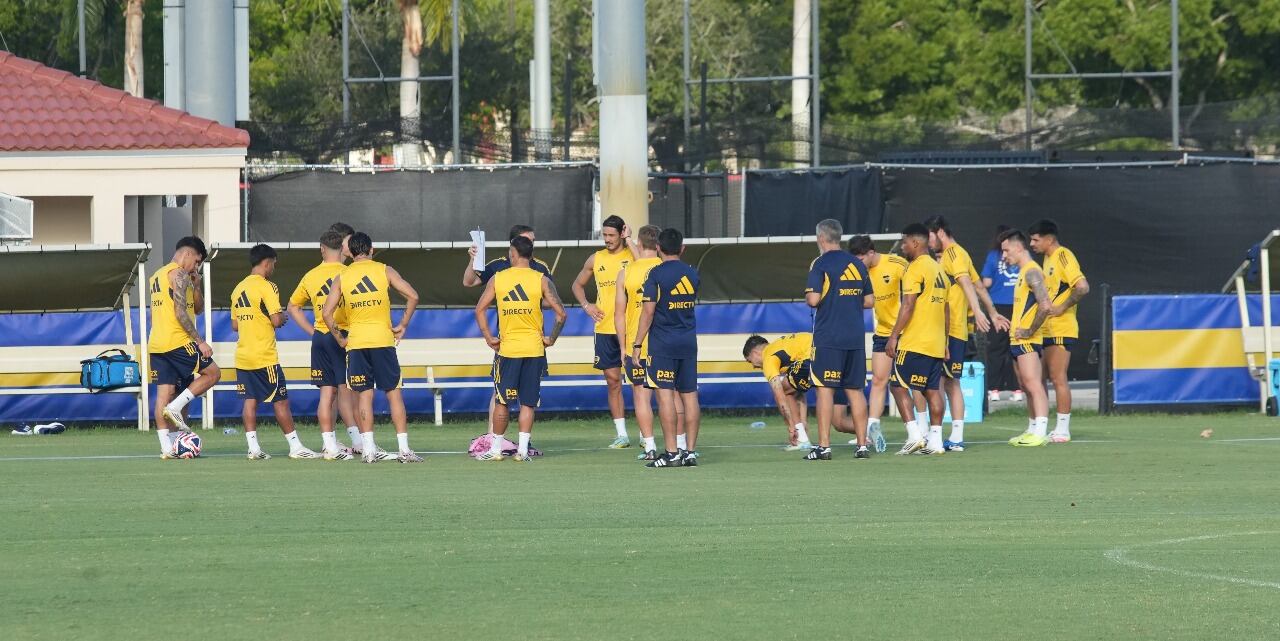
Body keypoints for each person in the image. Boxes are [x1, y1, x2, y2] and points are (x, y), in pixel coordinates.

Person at [321, 232, 424, 463]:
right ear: (371, 250)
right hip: (383, 341)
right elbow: (413, 296)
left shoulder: (343, 276)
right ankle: (404, 450)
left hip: (356, 344)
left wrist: (340, 339)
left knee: (364, 396)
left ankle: (368, 451)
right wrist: (403, 325)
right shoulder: (384, 270)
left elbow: (326, 313)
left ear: (351, 251)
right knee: (394, 394)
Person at [473, 235, 567, 462]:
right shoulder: (541, 279)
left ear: (513, 253)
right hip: (534, 350)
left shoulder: (499, 278)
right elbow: (561, 313)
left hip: (508, 350)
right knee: (528, 401)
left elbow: (480, 309)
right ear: (531, 254)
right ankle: (522, 451)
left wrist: (488, 337)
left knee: (502, 400)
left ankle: (496, 450)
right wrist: (551, 338)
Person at [461, 224, 554, 435]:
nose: (530, 245)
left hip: (532, 340)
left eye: (533, 240)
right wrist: (471, 258)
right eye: (526, 240)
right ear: (513, 244)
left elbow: (552, 301)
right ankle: (493, 439)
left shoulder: (540, 268)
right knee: (500, 392)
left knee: (528, 395)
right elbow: (469, 281)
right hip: (506, 341)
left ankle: (524, 442)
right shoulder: (498, 266)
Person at [925, 215, 1006, 452]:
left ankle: (937, 435)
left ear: (939, 232)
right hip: (953, 330)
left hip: (949, 331)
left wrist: (980, 312)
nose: (928, 243)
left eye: (929, 237)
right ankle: (955, 437)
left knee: (939, 383)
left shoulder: (953, 255)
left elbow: (967, 284)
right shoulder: (959, 253)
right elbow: (979, 284)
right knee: (950, 383)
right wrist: (992, 313)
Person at [232, 244, 318, 460]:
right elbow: (276, 319)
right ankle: (296, 447)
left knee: (250, 401)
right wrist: (282, 318)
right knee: (280, 401)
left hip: (243, 356)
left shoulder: (238, 288)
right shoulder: (267, 286)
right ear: (267, 262)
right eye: (274, 264)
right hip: (264, 355)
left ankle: (253, 449)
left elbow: (235, 325)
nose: (273, 269)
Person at [803, 219, 874, 461]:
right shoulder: (857, 264)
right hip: (854, 336)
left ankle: (823, 447)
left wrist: (826, 297)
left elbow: (813, 300)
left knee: (825, 390)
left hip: (829, 337)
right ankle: (862, 445)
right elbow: (869, 301)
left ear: (820, 238)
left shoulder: (819, 263)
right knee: (855, 391)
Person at [615, 225, 687, 461]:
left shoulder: (626, 272)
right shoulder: (667, 269)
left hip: (638, 341)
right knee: (673, 394)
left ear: (640, 242)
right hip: (665, 341)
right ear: (659, 245)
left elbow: (618, 313)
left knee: (640, 395)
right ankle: (680, 445)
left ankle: (649, 447)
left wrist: (624, 347)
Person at [286, 231, 360, 460]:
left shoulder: (310, 275)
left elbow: (292, 306)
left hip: (320, 337)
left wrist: (312, 331)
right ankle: (359, 441)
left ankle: (330, 446)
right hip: (342, 335)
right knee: (346, 392)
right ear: (343, 249)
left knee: (326, 394)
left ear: (321, 249)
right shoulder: (347, 272)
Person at [633, 228, 701, 468]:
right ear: (682, 248)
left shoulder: (655, 274)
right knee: (690, 396)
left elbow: (648, 311)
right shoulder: (692, 274)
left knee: (665, 397)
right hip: (688, 342)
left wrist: (637, 344)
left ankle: (671, 452)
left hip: (663, 344)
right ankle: (690, 452)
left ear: (659, 248)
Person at [147, 236, 221, 458]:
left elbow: (196, 309)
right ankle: (175, 409)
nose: (196, 266)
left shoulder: (157, 277)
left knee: (169, 393)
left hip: (158, 344)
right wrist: (200, 342)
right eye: (197, 261)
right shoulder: (178, 274)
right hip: (178, 341)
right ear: (187, 254)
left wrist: (196, 286)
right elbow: (180, 313)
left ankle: (167, 448)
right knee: (213, 373)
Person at [886, 224, 952, 456]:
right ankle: (935, 441)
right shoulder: (940, 270)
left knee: (896, 385)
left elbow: (908, 304)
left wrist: (893, 336)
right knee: (932, 390)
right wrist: (944, 342)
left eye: (904, 242)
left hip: (915, 341)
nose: (902, 246)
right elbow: (946, 310)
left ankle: (914, 436)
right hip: (935, 343)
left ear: (915, 243)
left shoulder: (915, 269)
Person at [571, 215, 635, 448]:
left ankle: (647, 436)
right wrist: (587, 306)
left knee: (643, 382)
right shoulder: (595, 258)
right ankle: (622, 434)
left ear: (621, 234)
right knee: (613, 380)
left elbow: (648, 268)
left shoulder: (632, 255)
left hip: (633, 328)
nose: (607, 239)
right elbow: (577, 285)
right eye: (604, 235)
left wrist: (632, 240)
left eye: (611, 235)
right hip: (605, 328)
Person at [1029, 219, 1090, 443]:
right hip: (1045, 329)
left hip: (1061, 328)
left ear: (1049, 239)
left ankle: (1063, 429)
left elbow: (1082, 286)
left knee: (1058, 377)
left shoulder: (1063, 255)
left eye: (1036, 239)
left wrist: (1061, 308)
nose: (1032, 243)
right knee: (1040, 378)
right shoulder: (1046, 260)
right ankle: (1040, 426)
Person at [848, 235, 909, 453]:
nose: (858, 264)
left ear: (871, 253)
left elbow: (918, 290)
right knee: (878, 381)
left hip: (906, 333)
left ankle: (920, 430)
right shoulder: (858, 272)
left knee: (909, 385)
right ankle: (872, 427)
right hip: (883, 332)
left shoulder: (897, 264)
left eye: (861, 259)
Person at [1000, 229, 1052, 447]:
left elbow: (1045, 305)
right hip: (1016, 339)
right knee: (1025, 385)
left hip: (1028, 340)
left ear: (1019, 248)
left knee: (1034, 384)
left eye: (1006, 250)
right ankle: (1031, 429)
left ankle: (1040, 432)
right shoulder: (1023, 272)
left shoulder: (1032, 272)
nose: (1003, 256)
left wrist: (1030, 330)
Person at [742, 332, 814, 451]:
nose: (754, 366)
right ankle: (857, 438)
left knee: (783, 392)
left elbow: (781, 397)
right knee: (839, 417)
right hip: (828, 349)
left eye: (750, 361)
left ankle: (801, 439)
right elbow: (799, 391)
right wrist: (803, 421)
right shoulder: (782, 348)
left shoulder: (768, 358)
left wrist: (791, 427)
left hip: (812, 356)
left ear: (755, 353)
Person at [980, 225, 1020, 402]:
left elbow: (986, 282)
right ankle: (1017, 390)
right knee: (1016, 348)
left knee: (996, 349)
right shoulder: (1022, 255)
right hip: (1019, 305)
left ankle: (993, 389)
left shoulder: (993, 256)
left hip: (997, 307)